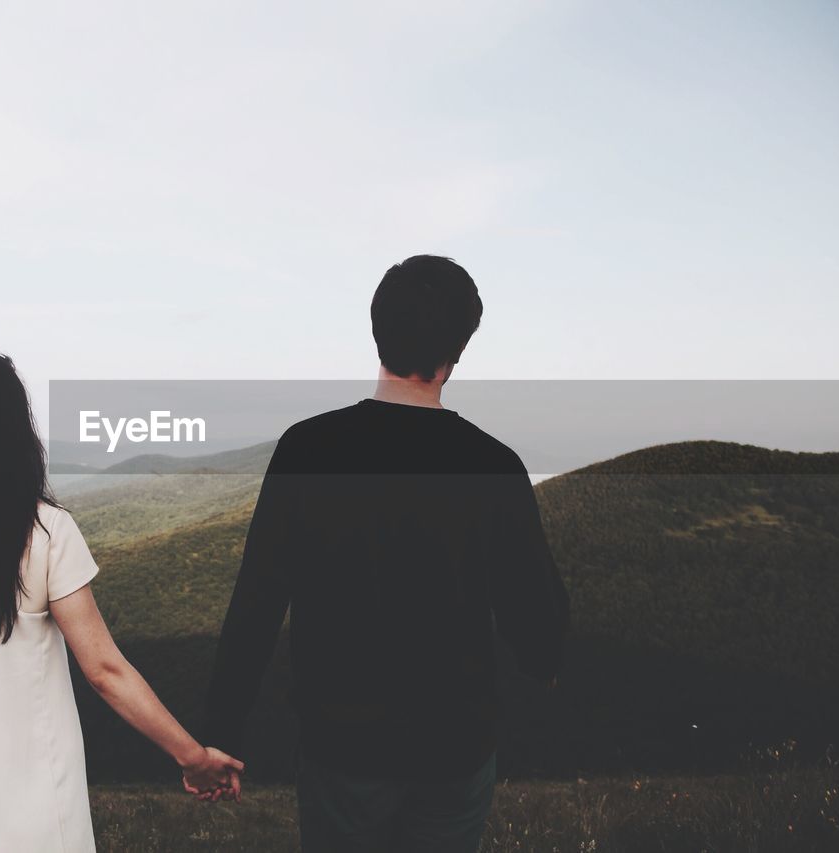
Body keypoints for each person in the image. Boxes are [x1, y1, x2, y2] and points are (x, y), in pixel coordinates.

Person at [204, 255, 570, 852]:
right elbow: (538, 617)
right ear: (460, 346)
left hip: (341, 751)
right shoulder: (494, 465)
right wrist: (541, 668)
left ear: (378, 331)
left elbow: (258, 602)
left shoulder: (309, 449)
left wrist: (220, 732)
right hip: (456, 749)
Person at [0, 347, 243, 852]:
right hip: (35, 811)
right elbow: (105, 672)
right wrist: (193, 758)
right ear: (13, 428)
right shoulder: (46, 531)